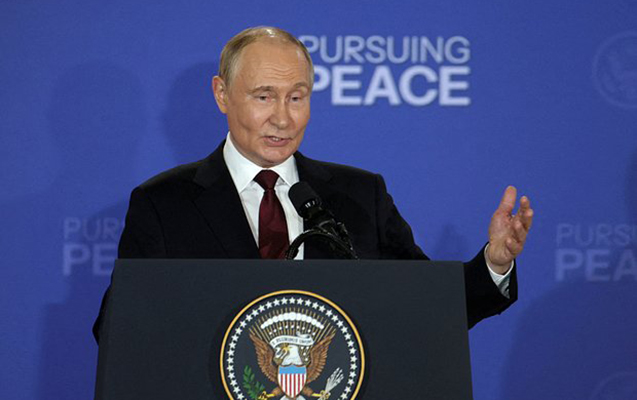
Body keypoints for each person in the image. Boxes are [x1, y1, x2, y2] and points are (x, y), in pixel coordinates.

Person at [94, 26, 533, 342]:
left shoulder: (359, 196)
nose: (283, 118)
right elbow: (119, 332)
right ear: (222, 94)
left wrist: (493, 263)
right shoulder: (163, 203)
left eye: (296, 97)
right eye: (264, 96)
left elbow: (425, 306)